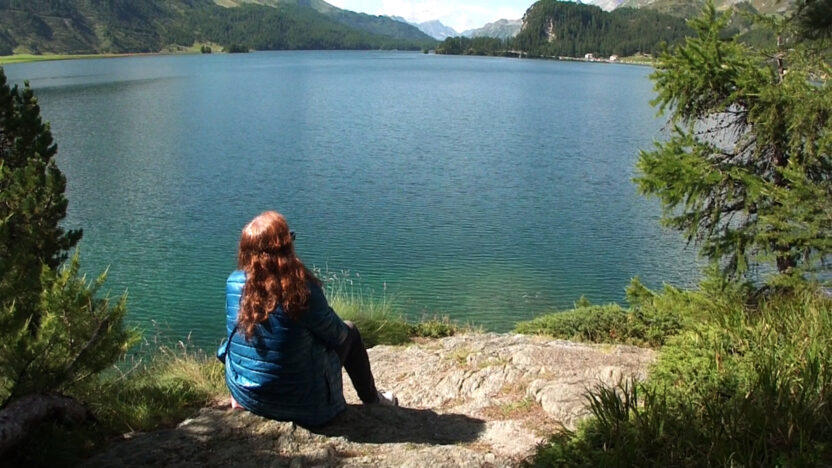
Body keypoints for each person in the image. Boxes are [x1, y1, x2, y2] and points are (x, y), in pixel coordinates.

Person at [217, 211, 397, 427]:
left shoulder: (233, 283)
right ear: (285, 249)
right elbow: (337, 335)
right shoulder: (301, 290)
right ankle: (374, 400)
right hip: (305, 404)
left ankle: (245, 397)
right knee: (351, 331)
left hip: (247, 394)